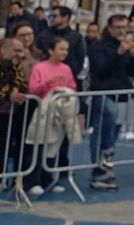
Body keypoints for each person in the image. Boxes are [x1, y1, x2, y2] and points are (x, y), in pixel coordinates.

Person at [85, 14, 134, 191]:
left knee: (113, 134)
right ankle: (98, 171)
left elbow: (132, 72)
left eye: (125, 27)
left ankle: (106, 167)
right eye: (118, 27)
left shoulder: (124, 46)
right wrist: (118, 53)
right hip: (103, 93)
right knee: (102, 133)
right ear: (109, 28)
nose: (122, 31)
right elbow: (100, 70)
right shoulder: (98, 46)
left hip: (121, 95)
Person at [24, 36, 80, 196]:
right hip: (44, 110)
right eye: (61, 49)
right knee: (39, 144)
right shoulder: (39, 68)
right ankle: (32, 180)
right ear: (51, 50)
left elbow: (72, 86)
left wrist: (66, 90)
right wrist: (48, 82)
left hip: (61, 112)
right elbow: (33, 89)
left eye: (66, 49)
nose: (64, 52)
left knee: (55, 146)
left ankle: (49, 179)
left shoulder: (66, 68)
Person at [0, 37, 31, 189]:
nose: (20, 54)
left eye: (21, 50)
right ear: (3, 50)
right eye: (16, 50)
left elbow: (23, 84)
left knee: (4, 146)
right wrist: (8, 95)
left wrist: (17, 91)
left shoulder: (17, 67)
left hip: (8, 115)